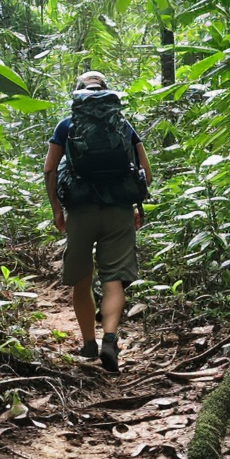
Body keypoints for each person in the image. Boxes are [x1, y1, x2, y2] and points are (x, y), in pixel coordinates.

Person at [43, 71, 152, 372]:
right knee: (113, 278)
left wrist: (57, 210)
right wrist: (133, 204)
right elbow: (145, 171)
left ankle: (89, 344)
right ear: (106, 93)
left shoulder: (67, 125)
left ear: (77, 94)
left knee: (82, 277)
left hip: (80, 210)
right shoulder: (123, 125)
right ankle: (110, 339)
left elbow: (50, 170)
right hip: (118, 210)